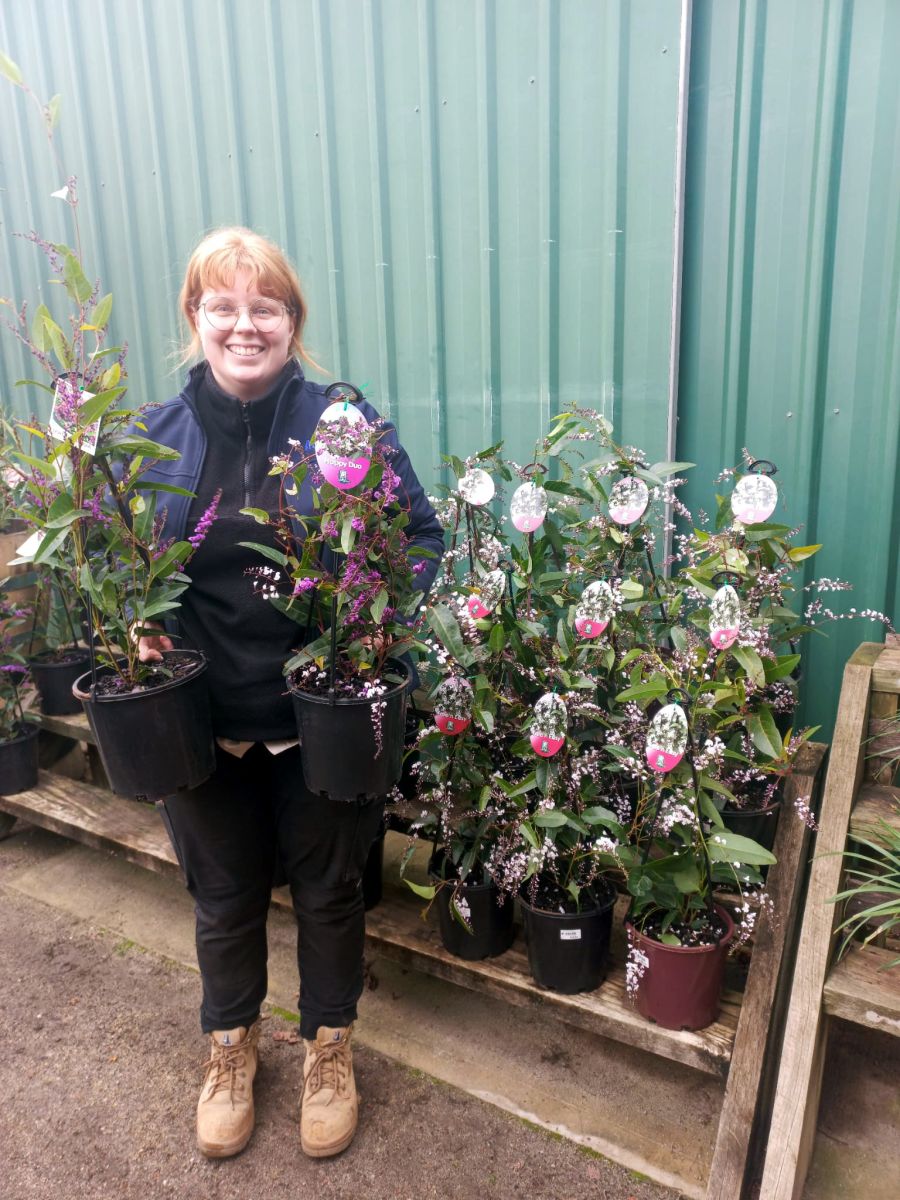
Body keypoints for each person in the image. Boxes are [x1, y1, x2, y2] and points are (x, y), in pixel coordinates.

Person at [136, 227, 443, 1160]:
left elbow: (420, 538)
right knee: (222, 895)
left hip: (326, 718)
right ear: (196, 316)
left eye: (264, 306)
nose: (243, 324)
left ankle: (328, 1048)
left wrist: (382, 617)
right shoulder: (149, 437)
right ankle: (230, 1049)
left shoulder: (344, 423)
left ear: (290, 321)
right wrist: (132, 624)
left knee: (330, 890)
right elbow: (112, 562)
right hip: (199, 720)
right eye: (222, 305)